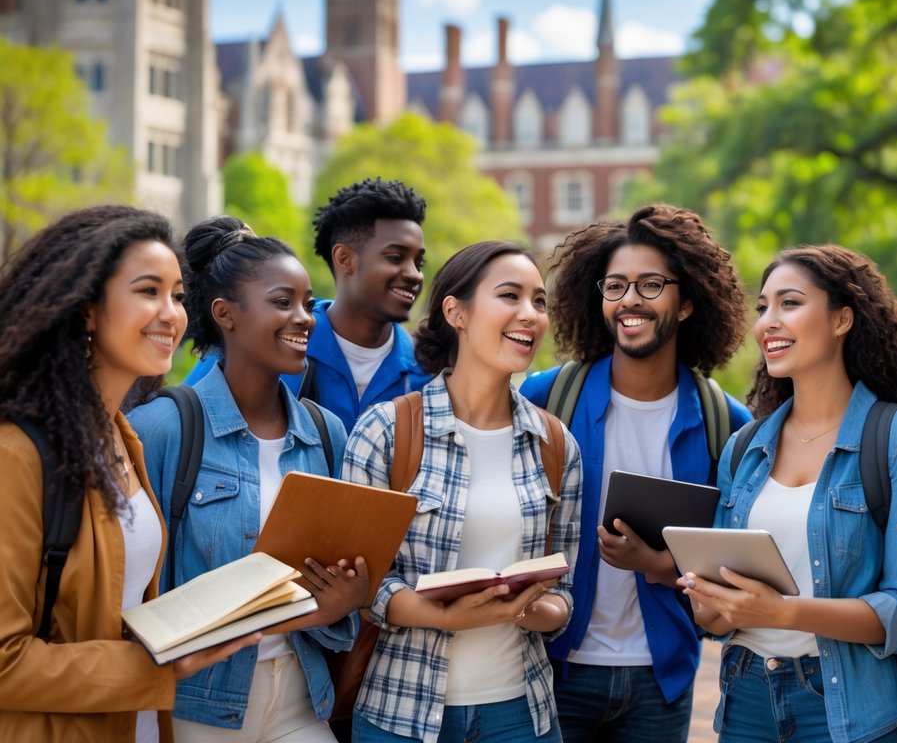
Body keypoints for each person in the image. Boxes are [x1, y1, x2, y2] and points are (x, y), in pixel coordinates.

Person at [0, 205, 257, 741]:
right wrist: (161, 667)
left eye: (179, 296)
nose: (172, 314)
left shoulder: (122, 436)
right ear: (86, 309)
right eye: (148, 291)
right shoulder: (18, 455)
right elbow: (6, 662)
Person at [682, 244, 897, 743]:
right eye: (763, 308)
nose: (768, 323)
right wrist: (709, 600)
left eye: (790, 303)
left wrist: (783, 612)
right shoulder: (744, 447)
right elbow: (714, 617)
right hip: (745, 701)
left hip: (848, 708)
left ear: (842, 319)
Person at [519, 204, 752, 743]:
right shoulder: (545, 400)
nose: (629, 299)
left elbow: (733, 560)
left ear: (688, 302)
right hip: (555, 668)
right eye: (615, 285)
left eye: (650, 285)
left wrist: (658, 564)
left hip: (661, 679)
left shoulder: (728, 424)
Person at [129, 216, 367, 742]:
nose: (305, 318)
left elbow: (331, 577)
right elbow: (134, 588)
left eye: (308, 303)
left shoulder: (326, 433)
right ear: (224, 315)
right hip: (196, 703)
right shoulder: (161, 428)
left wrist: (339, 602)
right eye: (283, 302)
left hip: (302, 696)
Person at [343, 241, 583, 743]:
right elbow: (361, 587)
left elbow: (563, 596)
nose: (530, 315)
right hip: (401, 715)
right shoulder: (385, 432)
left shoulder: (556, 444)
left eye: (539, 301)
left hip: (521, 716)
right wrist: (445, 616)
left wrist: (522, 607)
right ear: (456, 311)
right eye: (510, 296)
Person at [187, 177, 431, 432]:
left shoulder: (425, 370)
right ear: (344, 259)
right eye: (395, 257)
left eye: (419, 263)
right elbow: (187, 418)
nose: (414, 274)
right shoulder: (269, 343)